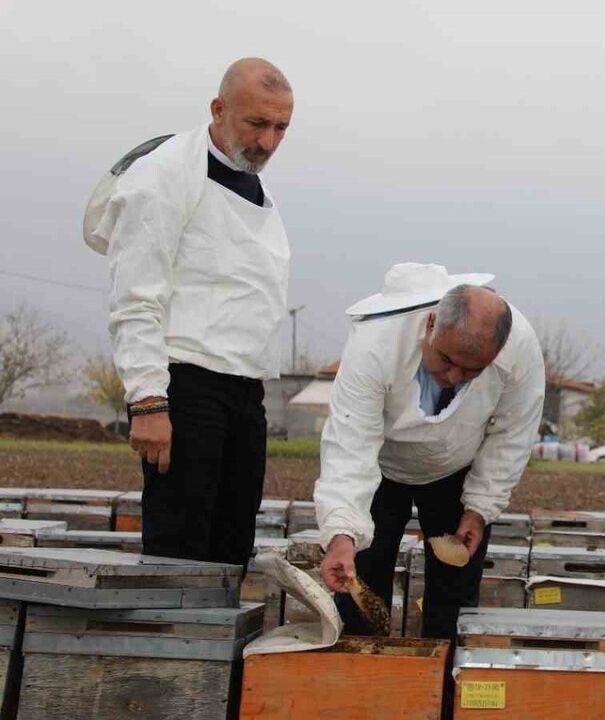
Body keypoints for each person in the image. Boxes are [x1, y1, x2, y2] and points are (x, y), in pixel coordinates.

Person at [92, 57, 294, 566]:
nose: (267, 142)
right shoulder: (163, 175)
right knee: (179, 552)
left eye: (280, 128)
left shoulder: (252, 181)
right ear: (218, 109)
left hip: (243, 391)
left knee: (231, 547)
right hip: (184, 389)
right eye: (256, 123)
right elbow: (136, 296)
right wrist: (148, 402)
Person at [316, 263, 544, 639]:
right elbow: (350, 444)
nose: (454, 377)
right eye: (447, 361)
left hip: (457, 469)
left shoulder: (520, 350)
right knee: (361, 585)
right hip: (381, 469)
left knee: (453, 600)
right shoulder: (375, 344)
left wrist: (479, 509)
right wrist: (341, 533)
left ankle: (445, 672)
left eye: (472, 371)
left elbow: (511, 435)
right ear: (431, 324)